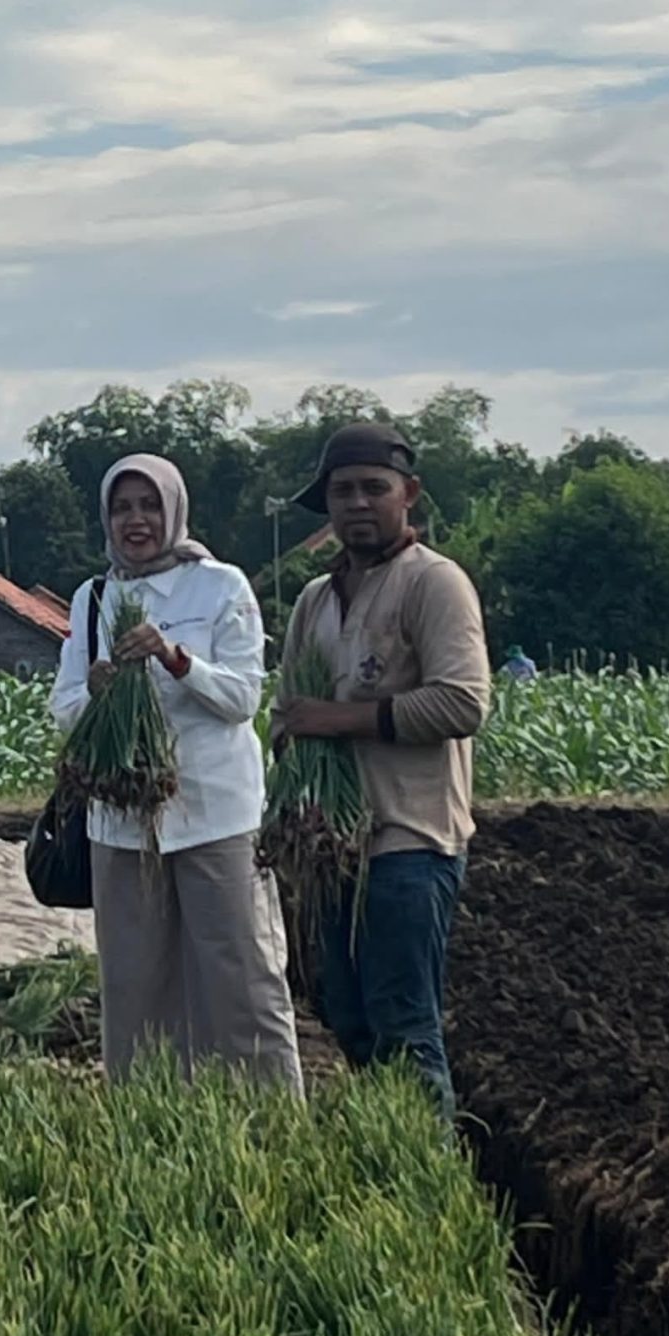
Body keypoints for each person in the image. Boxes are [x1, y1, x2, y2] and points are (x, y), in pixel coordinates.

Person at [52, 453, 304, 1094]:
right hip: (122, 818)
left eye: (149, 506)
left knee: (240, 974)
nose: (135, 521)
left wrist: (174, 657)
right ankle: (149, 1120)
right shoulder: (92, 599)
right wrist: (99, 692)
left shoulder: (219, 586)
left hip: (216, 813)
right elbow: (65, 709)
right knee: (134, 981)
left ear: (174, 512)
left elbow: (244, 698)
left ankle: (273, 1119)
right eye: (121, 508)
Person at [270, 423, 489, 1121]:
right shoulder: (314, 599)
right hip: (333, 846)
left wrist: (337, 720)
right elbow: (285, 714)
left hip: (409, 841)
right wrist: (295, 782)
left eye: (374, 488)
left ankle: (430, 1175)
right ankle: (385, 1153)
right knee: (350, 1021)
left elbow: (462, 702)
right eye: (343, 491)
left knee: (404, 1024)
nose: (358, 503)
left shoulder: (434, 582)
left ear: (409, 495)